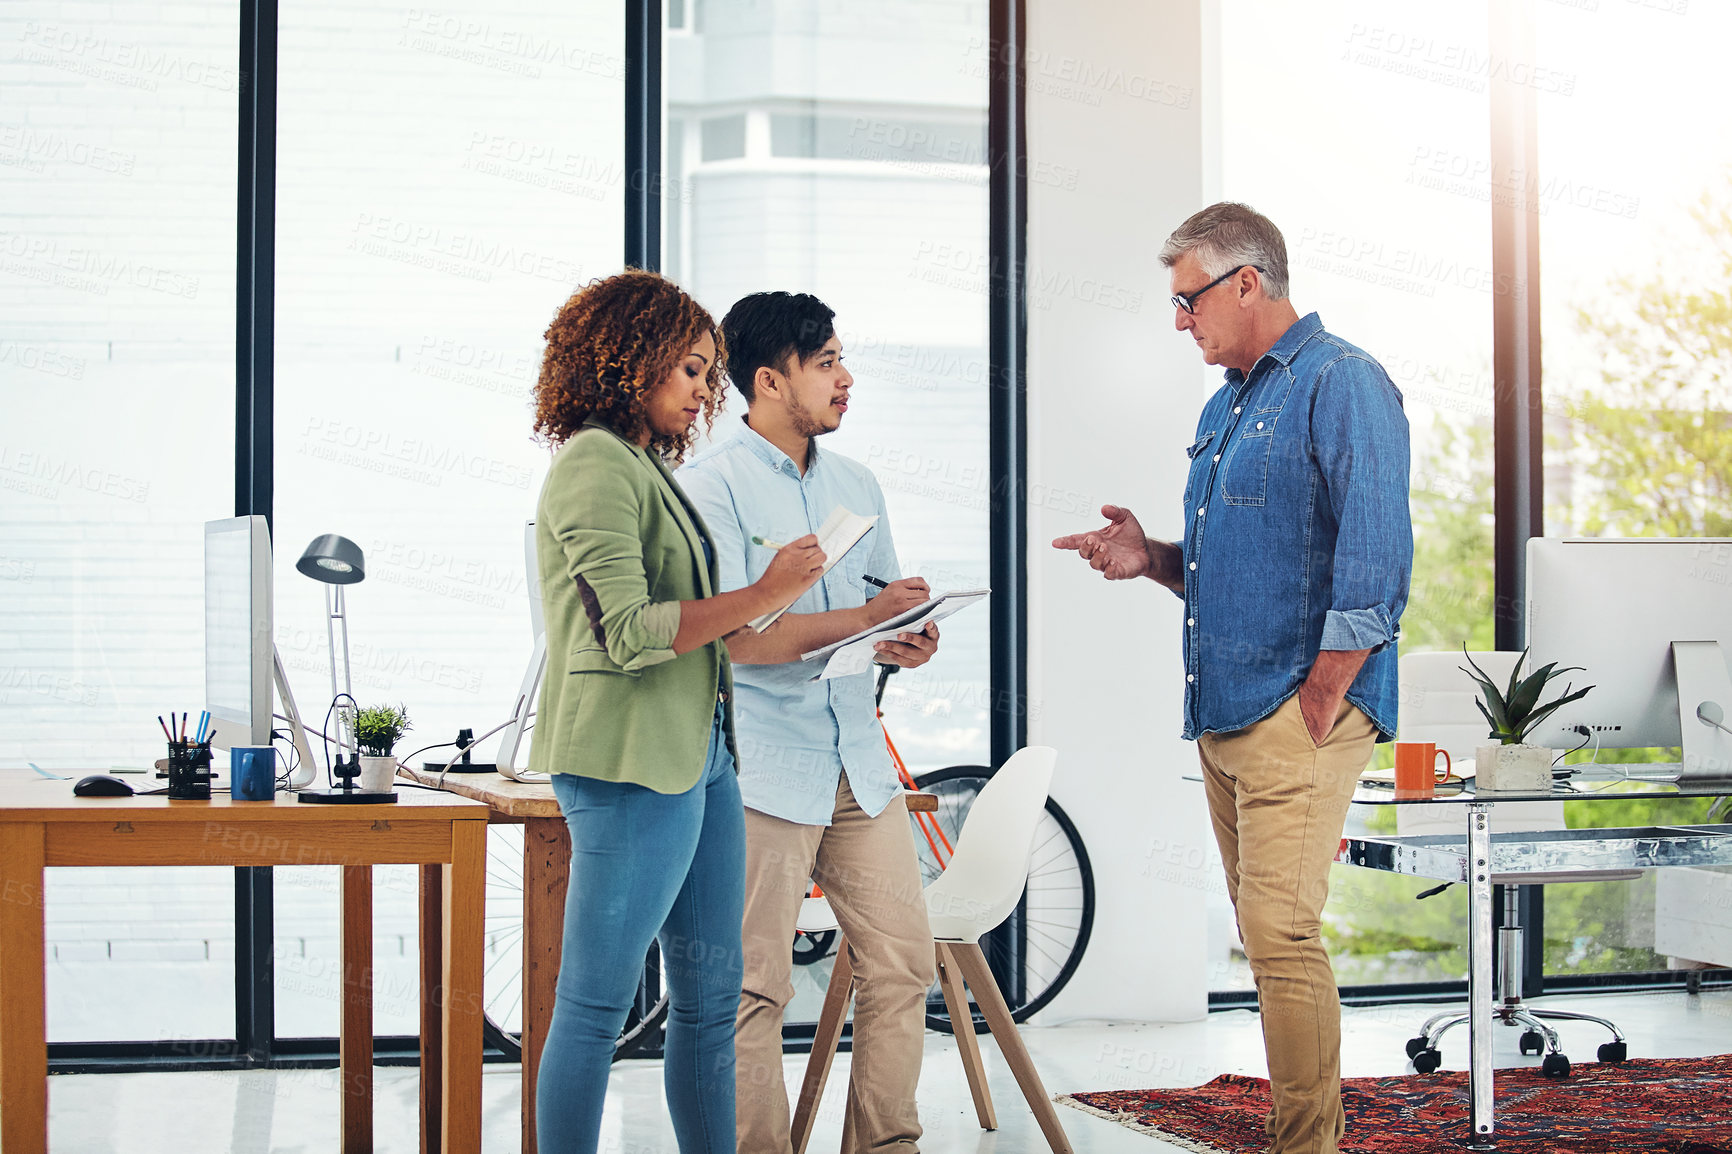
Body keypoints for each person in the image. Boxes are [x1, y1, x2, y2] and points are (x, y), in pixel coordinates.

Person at [1053, 203, 1411, 1154]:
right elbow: (1241, 571)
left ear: (1247, 282)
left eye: (1188, 300)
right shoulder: (1228, 402)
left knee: (1282, 936)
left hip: (1297, 711)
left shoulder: (1345, 384)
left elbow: (1376, 571)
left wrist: (1320, 703)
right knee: (1266, 942)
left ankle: (1308, 1147)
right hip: (1224, 709)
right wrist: (1152, 559)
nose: (1181, 323)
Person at [528, 270, 829, 1154]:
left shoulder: (645, 466)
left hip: (700, 760)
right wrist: (762, 592)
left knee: (708, 1003)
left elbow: (694, 620)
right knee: (594, 1004)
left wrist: (771, 600)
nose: (705, 391)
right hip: (631, 767)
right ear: (631, 360)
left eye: (709, 373)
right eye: (691, 370)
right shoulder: (592, 463)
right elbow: (627, 632)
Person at [677, 291, 940, 1154]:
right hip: (764, 769)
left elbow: (878, 609)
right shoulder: (708, 489)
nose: (845, 378)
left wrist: (905, 635)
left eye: (840, 359)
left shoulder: (857, 484)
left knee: (904, 965)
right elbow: (737, 643)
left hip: (858, 766)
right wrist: (867, 623)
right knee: (756, 989)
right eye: (825, 363)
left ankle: (883, 1147)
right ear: (768, 379)